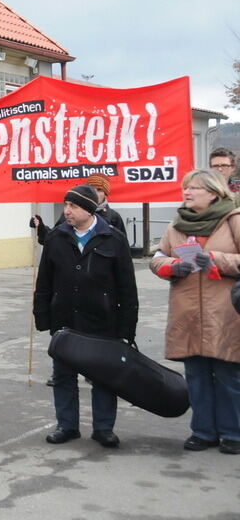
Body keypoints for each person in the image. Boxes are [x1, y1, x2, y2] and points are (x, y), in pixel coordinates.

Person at [33, 184, 138, 448]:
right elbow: (44, 281)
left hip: (103, 322)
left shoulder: (112, 238)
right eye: (66, 205)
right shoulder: (57, 238)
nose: (67, 211)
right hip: (65, 320)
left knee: (103, 377)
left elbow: (127, 288)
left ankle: (103, 428)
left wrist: (127, 329)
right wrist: (44, 318)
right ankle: (66, 425)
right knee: (63, 376)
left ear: (89, 210)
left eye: (74, 206)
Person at [150, 169, 240, 455]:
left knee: (228, 377)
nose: (186, 193)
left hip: (225, 312)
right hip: (187, 311)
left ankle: (232, 434)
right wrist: (171, 266)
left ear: (214, 193)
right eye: (185, 188)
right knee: (197, 376)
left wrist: (216, 259)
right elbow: (158, 256)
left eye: (194, 188)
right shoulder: (177, 223)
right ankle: (203, 432)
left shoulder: (234, 220)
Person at [30, 173, 126, 245]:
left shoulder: (113, 217)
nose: (95, 193)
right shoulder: (69, 213)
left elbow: (122, 247)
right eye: (92, 188)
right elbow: (54, 239)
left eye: (99, 190)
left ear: (105, 193)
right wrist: (40, 228)